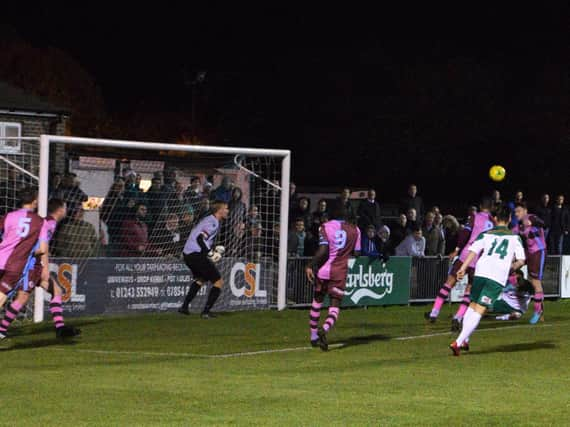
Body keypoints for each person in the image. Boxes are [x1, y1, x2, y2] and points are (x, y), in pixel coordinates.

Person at [0, 198, 80, 344]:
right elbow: (42, 249)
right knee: (22, 297)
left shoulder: (49, 223)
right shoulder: (48, 224)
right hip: (30, 266)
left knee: (56, 291)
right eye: (66, 207)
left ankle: (60, 328)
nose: (67, 211)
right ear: (61, 209)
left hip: (34, 266)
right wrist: (45, 267)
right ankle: (2, 330)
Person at [450, 204, 526, 356]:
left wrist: (463, 268)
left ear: (494, 219)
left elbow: (473, 251)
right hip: (496, 277)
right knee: (480, 309)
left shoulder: (485, 234)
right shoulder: (514, 237)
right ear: (509, 219)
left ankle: (465, 339)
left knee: (472, 305)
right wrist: (511, 267)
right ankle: (458, 342)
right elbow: (522, 260)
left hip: (480, 272)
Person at [426, 197, 494, 330]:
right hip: (480, 260)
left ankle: (434, 312)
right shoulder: (494, 222)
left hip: (466, 255)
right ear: (491, 208)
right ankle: (458, 317)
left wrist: (456, 250)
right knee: (469, 290)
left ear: (480, 206)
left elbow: (465, 233)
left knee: (450, 282)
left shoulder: (475, 217)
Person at [305, 200, 361, 351]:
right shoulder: (356, 230)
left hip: (324, 270)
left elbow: (323, 250)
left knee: (317, 301)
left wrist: (309, 265)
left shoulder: (325, 226)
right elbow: (356, 253)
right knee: (335, 306)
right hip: (339, 272)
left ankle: (313, 336)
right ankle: (325, 328)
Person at [0, 188, 50, 315]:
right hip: (16, 265)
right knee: (1, 295)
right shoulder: (41, 222)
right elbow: (43, 249)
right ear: (34, 201)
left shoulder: (8, 216)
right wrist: (28, 251)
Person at [178, 201, 229, 318]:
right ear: (219, 210)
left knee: (201, 278)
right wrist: (210, 253)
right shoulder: (213, 222)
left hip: (188, 255)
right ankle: (206, 312)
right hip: (196, 254)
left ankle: (184, 307)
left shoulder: (209, 220)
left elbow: (203, 239)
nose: (227, 210)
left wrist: (211, 249)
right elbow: (200, 239)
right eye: (226, 208)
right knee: (218, 282)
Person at [512, 202, 546, 324]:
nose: (517, 214)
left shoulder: (531, 217)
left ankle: (537, 311)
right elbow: (511, 233)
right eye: (515, 212)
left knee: (536, 282)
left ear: (525, 210)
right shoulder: (519, 225)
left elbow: (544, 224)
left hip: (538, 251)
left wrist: (532, 223)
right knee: (513, 267)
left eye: (519, 211)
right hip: (529, 253)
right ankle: (539, 311)